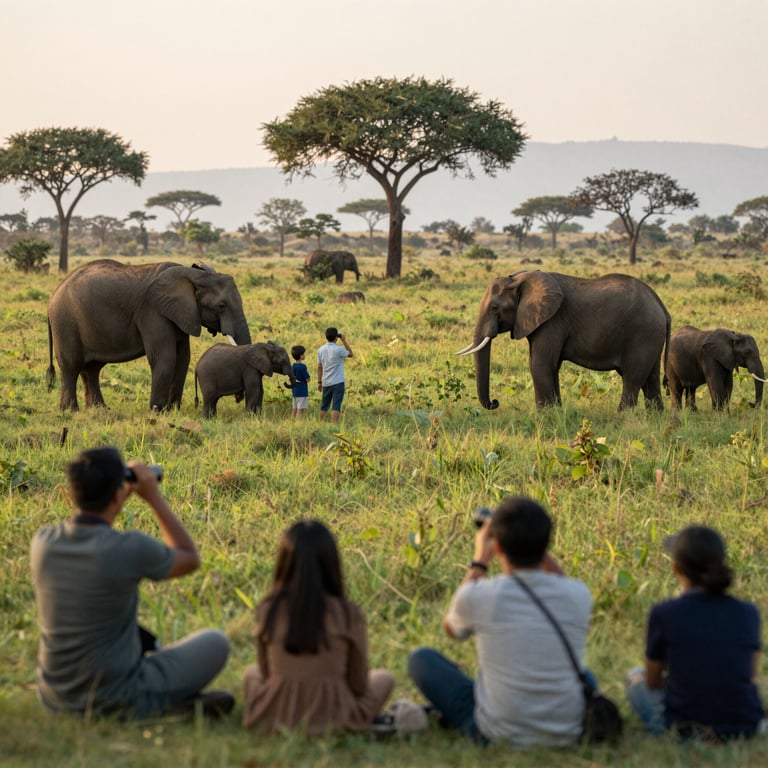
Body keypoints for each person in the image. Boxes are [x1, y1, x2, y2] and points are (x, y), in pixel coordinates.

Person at [30, 446, 233, 719]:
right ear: (118, 493)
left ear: (73, 491)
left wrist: (114, 495)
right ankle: (156, 706)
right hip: (115, 694)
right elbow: (189, 557)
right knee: (215, 642)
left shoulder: (43, 543)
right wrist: (153, 497)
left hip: (54, 696)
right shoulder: (129, 548)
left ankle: (170, 703)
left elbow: (94, 534)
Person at [408, 496, 593, 746]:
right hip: (568, 729)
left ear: (497, 548)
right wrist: (533, 543)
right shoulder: (578, 594)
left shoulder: (481, 595)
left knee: (421, 660)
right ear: (547, 545)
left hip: (496, 733)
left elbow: (452, 628)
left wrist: (479, 561)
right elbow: (561, 581)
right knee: (585, 676)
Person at [242, 520, 394, 734]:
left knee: (251, 673)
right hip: (336, 715)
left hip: (277, 714)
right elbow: (359, 686)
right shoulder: (348, 614)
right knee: (384, 678)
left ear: (284, 564)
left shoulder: (268, 610)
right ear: (332, 564)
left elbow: (266, 674)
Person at [625, 525, 765, 740]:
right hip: (745, 725)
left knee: (634, 678)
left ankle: (667, 732)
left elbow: (652, 682)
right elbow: (749, 676)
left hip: (686, 727)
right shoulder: (749, 612)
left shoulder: (664, 613)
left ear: (676, 569)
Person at [317, 327, 352, 423]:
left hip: (326, 382)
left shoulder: (320, 350)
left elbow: (319, 367)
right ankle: (333, 425)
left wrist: (319, 382)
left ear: (326, 336)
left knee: (324, 405)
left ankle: (321, 423)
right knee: (336, 405)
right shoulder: (339, 349)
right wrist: (344, 340)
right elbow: (350, 354)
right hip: (338, 382)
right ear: (336, 337)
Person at [290, 344, 311, 419]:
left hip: (295, 391)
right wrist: (308, 379)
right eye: (304, 354)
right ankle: (298, 423)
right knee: (300, 409)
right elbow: (307, 379)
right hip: (302, 391)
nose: (305, 355)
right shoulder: (302, 366)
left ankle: (292, 422)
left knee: (294, 409)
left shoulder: (292, 366)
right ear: (301, 356)